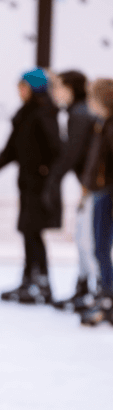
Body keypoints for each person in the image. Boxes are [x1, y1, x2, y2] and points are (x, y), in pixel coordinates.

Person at [0, 68, 62, 304]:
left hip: (39, 185)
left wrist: (47, 175)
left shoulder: (43, 114)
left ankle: (41, 283)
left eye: (23, 87)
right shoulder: (26, 114)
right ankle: (30, 280)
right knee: (29, 232)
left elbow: (56, 149)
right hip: (28, 184)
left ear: (34, 88)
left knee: (33, 233)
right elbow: (13, 148)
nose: (19, 92)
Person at [45, 71, 97, 311]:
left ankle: (91, 291)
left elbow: (72, 154)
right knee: (85, 238)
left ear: (70, 88)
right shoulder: (80, 113)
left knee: (88, 240)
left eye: (58, 86)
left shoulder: (80, 114)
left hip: (94, 187)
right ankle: (84, 288)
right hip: (91, 186)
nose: (54, 92)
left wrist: (54, 179)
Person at [79, 78, 113, 326]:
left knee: (101, 248)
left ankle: (108, 298)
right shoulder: (103, 125)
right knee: (99, 248)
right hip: (101, 192)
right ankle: (105, 295)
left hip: (107, 194)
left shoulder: (109, 127)